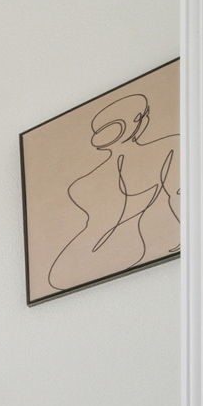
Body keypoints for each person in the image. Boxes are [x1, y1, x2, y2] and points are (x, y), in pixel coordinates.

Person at [46, 91, 180, 294]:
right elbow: (178, 194)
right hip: (111, 248)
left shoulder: (167, 149)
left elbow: (178, 193)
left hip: (111, 248)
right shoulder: (164, 149)